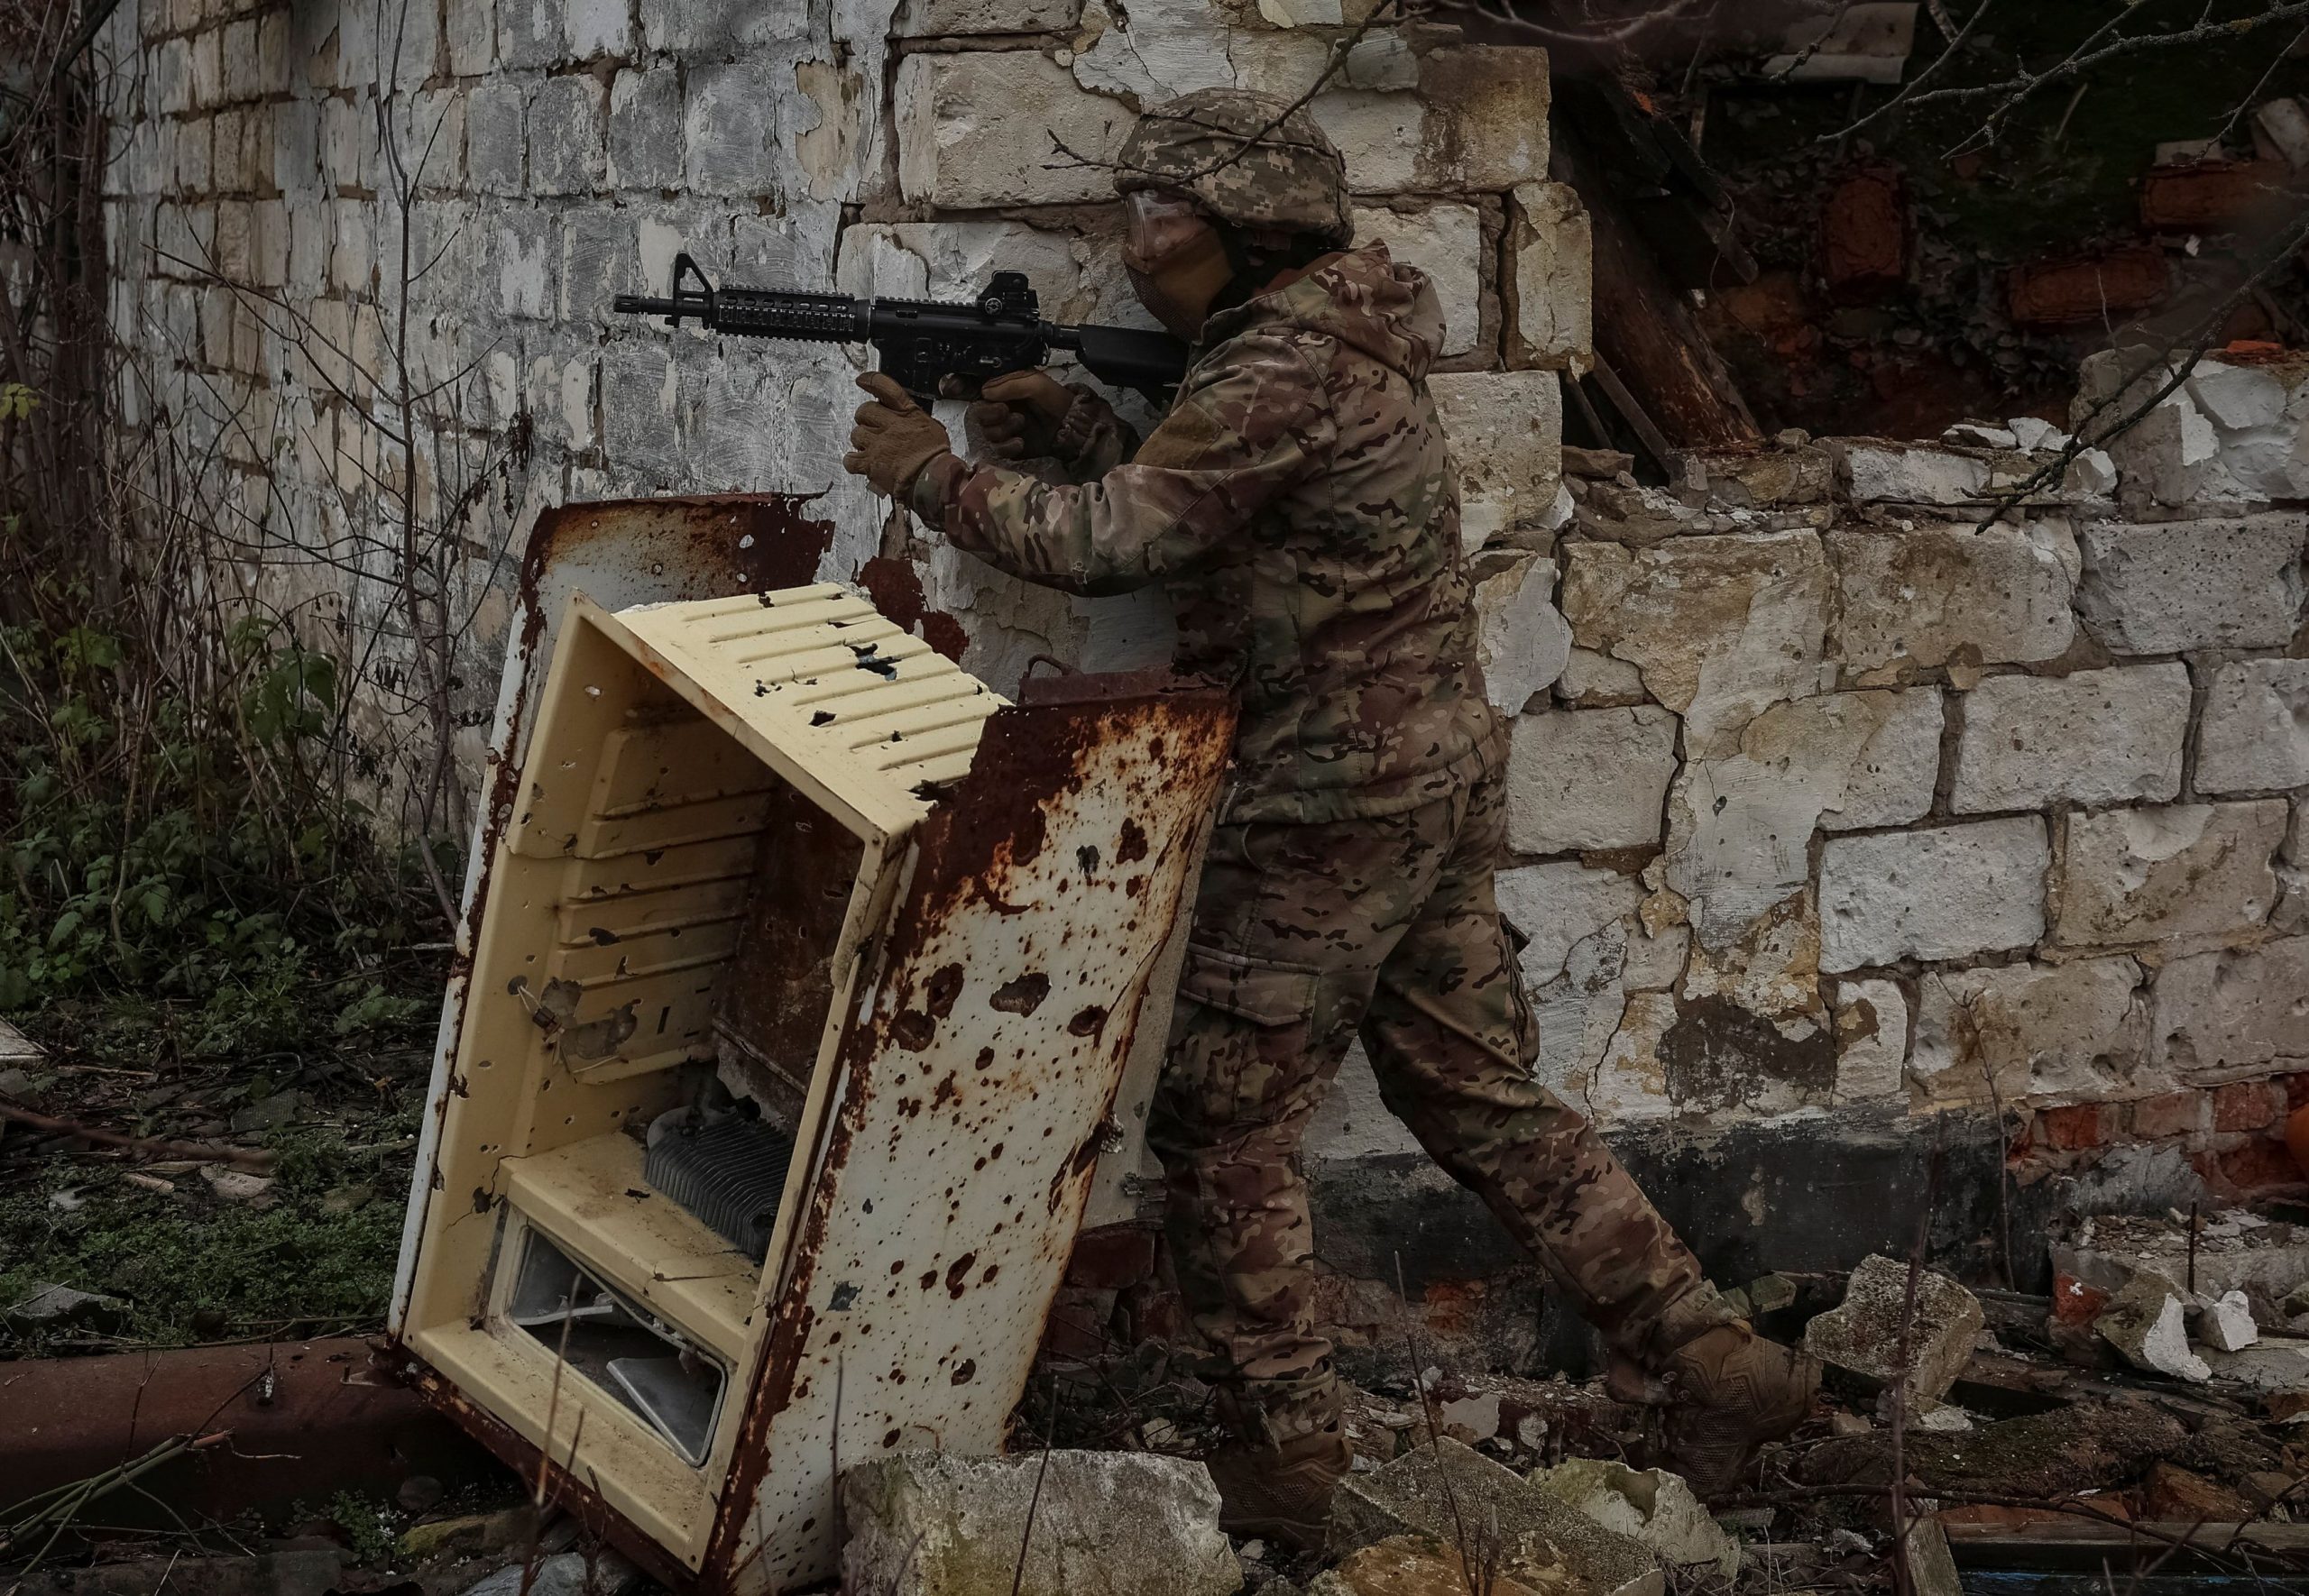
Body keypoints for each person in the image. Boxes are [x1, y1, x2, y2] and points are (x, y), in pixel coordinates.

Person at [840, 87, 1817, 1550]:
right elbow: (1237, 512)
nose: (1134, 244)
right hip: (1419, 773)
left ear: (1244, 234)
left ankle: (1287, 1467)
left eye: (1157, 218)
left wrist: (934, 474)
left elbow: (1123, 546)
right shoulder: (1320, 340)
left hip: (1328, 799)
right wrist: (1083, 426)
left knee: (1226, 1125)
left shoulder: (1275, 365)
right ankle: (1713, 1357)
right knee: (1469, 1086)